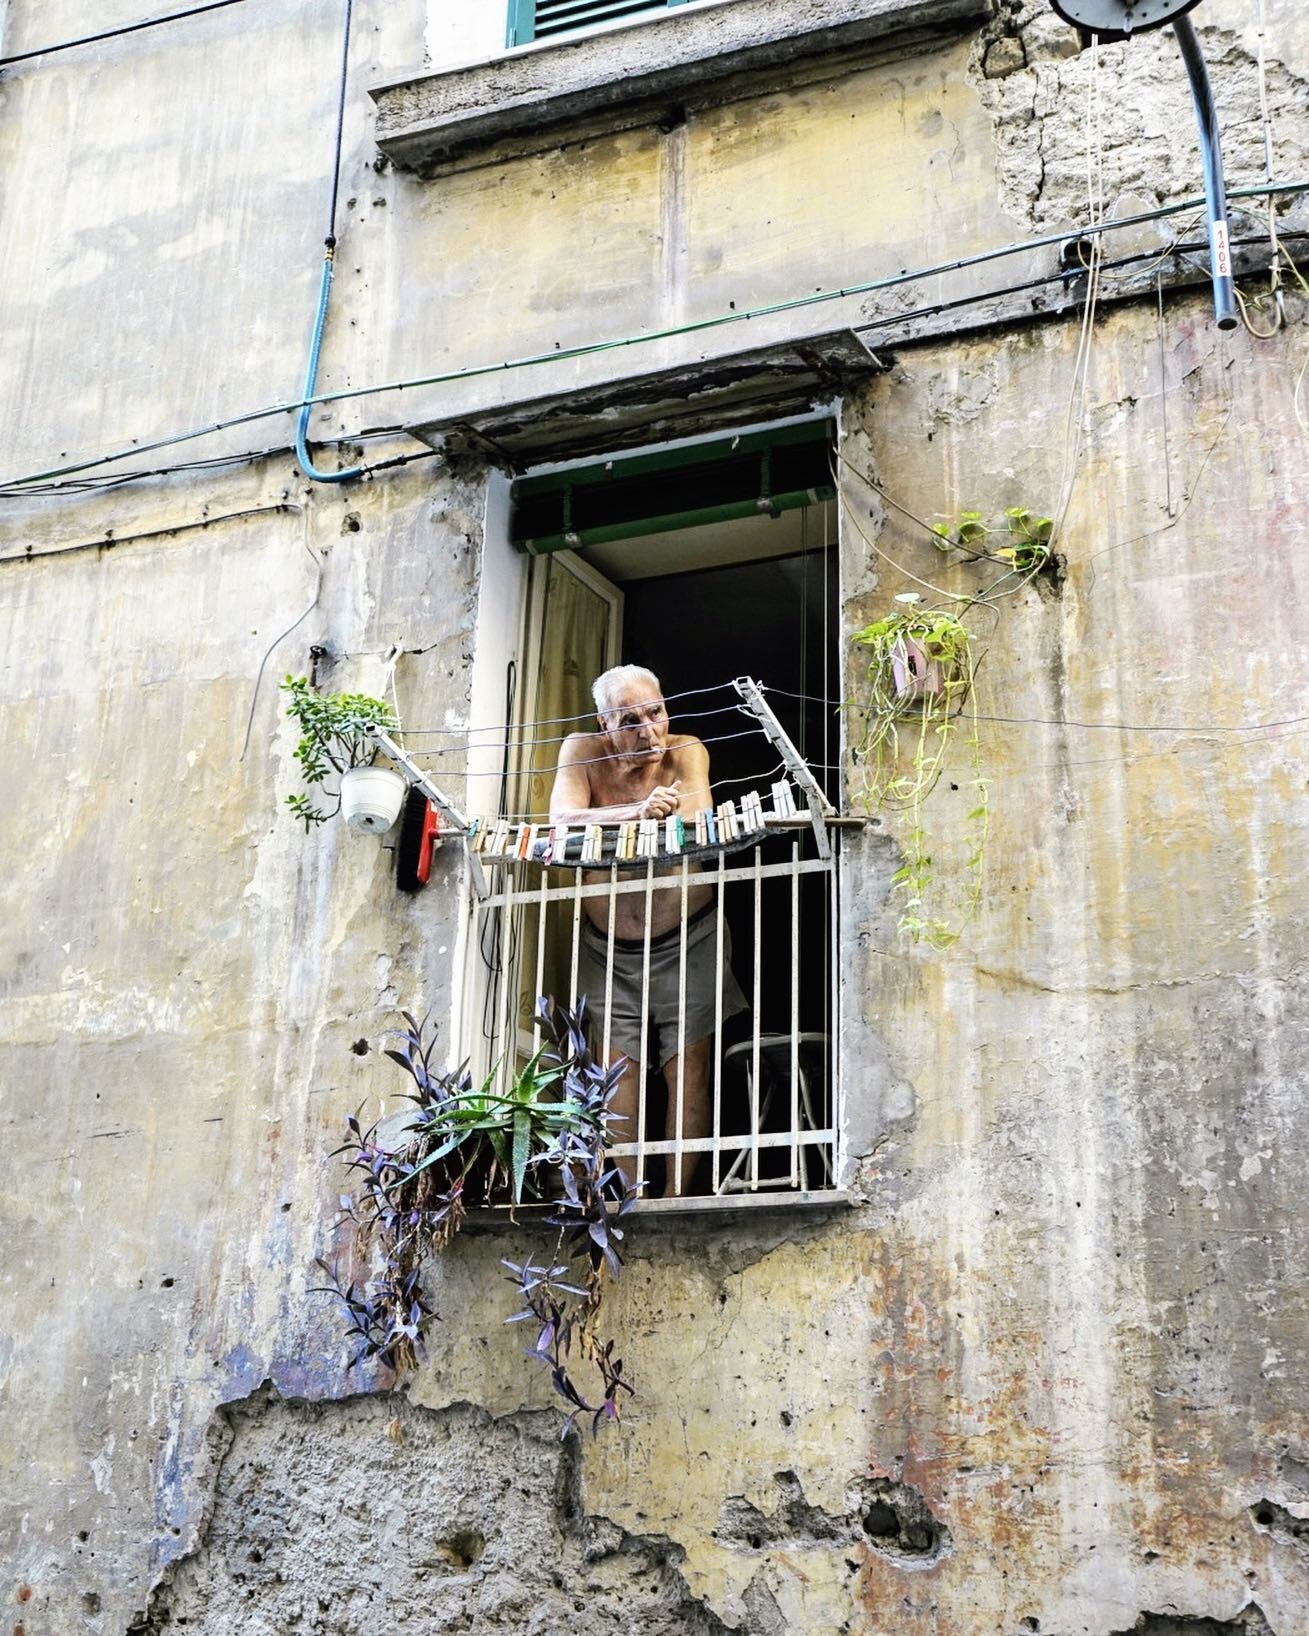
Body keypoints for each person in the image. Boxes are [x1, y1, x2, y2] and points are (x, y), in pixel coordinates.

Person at [548, 664, 747, 1196]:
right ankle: (631, 1200)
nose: (648, 731)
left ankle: (677, 1198)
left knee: (688, 1070)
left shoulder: (687, 751)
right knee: (619, 1074)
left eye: (655, 712)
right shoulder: (582, 752)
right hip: (607, 948)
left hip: (690, 936)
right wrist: (635, 813)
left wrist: (653, 814)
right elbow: (561, 821)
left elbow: (700, 822)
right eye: (629, 719)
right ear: (604, 724)